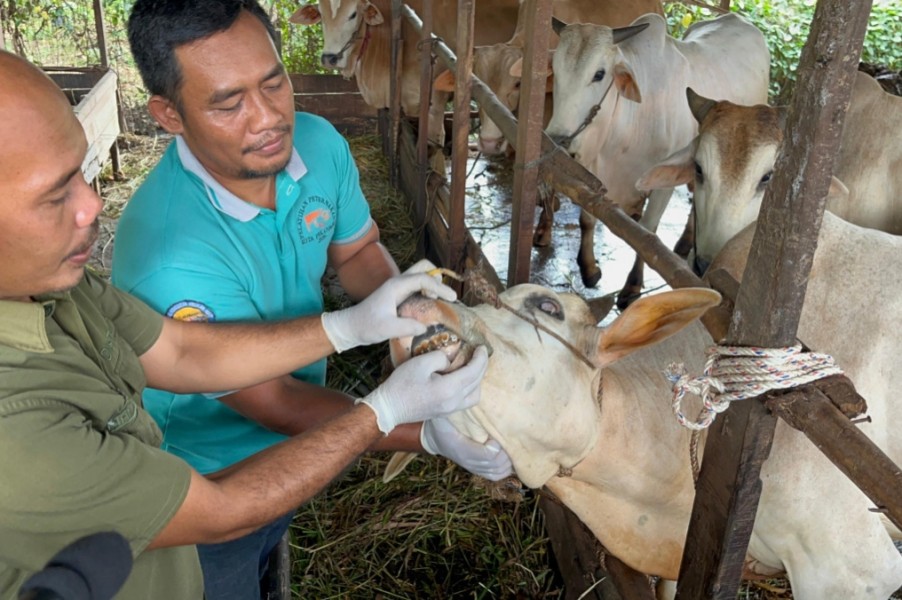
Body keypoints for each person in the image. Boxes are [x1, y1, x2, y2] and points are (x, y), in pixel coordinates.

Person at [0, 49, 493, 599]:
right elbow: (222, 509)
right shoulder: (14, 420)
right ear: (168, 114)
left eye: (83, 172)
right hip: (205, 499)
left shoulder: (50, 285)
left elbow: (185, 353)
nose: (92, 205)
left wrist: (351, 327)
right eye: (53, 196)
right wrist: (400, 420)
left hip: (246, 498)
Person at [109, 0, 511, 596]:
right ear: (168, 115)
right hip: (206, 476)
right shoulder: (169, 253)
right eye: (228, 103)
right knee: (224, 574)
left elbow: (356, 251)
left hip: (305, 440)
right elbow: (273, 401)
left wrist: (411, 319)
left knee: (275, 549)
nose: (268, 118)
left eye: (275, 83)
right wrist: (422, 431)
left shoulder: (318, 146)